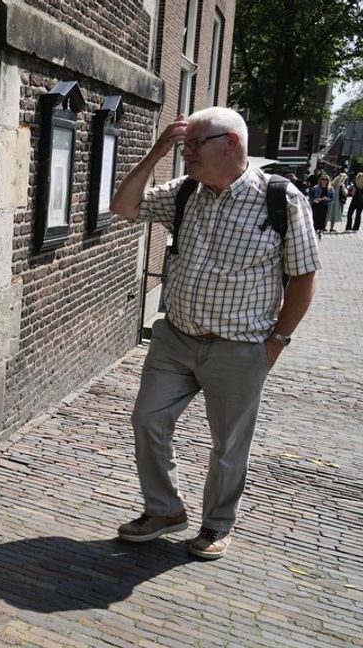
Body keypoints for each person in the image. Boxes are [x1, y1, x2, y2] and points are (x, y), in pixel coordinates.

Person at [109, 107, 320, 561]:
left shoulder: (281, 200)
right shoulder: (185, 193)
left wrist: (276, 342)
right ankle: (164, 510)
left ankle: (216, 524)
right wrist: (157, 150)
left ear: (230, 144)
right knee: (148, 419)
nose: (185, 153)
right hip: (175, 339)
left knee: (228, 445)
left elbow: (304, 278)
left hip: (240, 347)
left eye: (193, 144)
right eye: (182, 146)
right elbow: (123, 205)